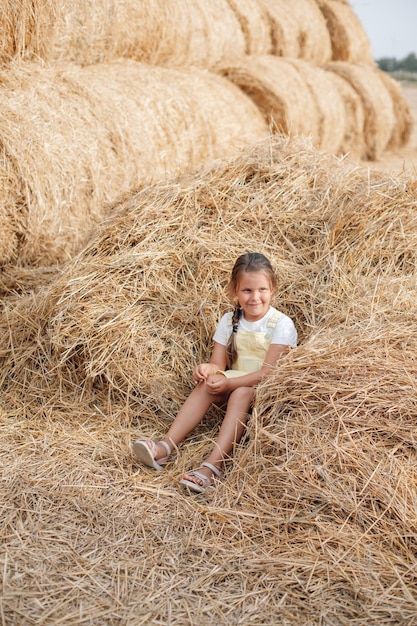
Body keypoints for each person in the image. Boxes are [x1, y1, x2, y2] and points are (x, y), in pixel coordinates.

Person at [132, 252, 297, 493]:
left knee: (241, 392)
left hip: (264, 390)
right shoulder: (230, 320)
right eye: (247, 291)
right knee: (208, 383)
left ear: (272, 288)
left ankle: (212, 467)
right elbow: (218, 363)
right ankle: (163, 448)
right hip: (234, 383)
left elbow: (268, 373)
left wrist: (229, 384)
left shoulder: (281, 324)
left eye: (262, 289)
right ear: (234, 290)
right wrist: (208, 370)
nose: (255, 297)